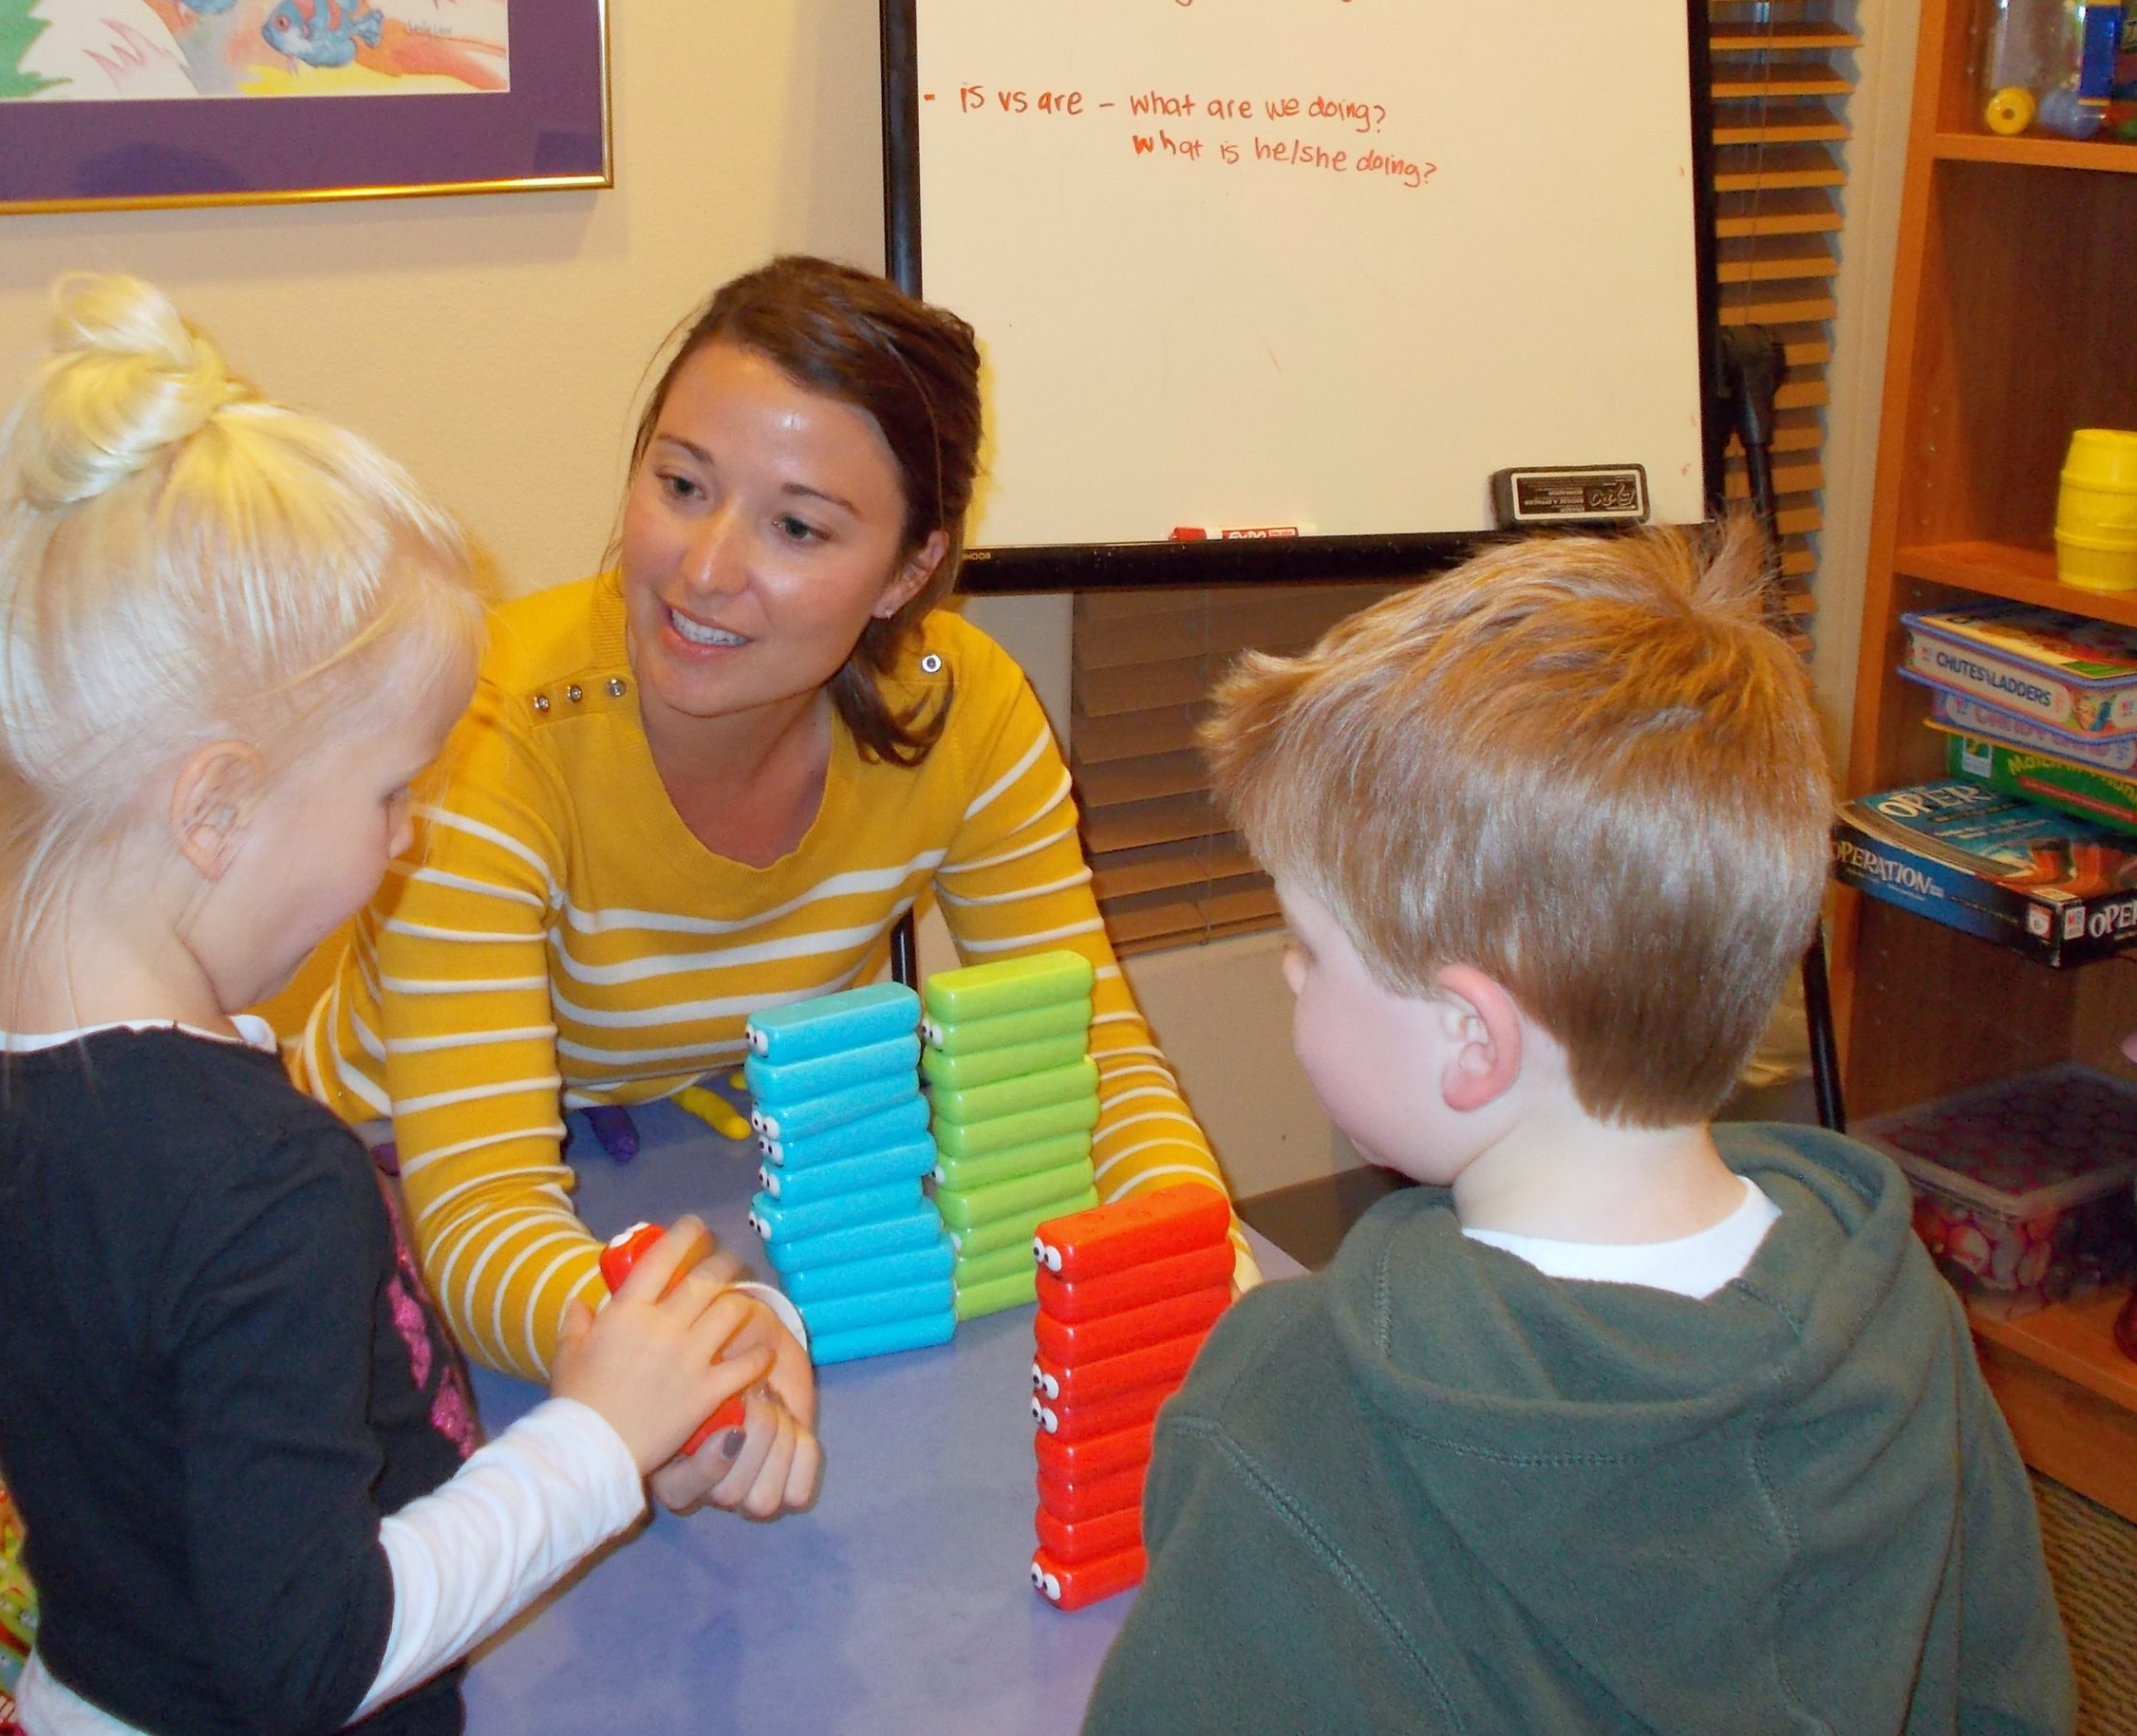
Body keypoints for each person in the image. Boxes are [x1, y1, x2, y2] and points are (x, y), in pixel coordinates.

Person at [0, 275, 778, 1735]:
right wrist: (598, 1440)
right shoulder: (261, 1179)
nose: (406, 838)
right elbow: (312, 1656)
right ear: (217, 805)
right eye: (389, 791)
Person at [1084, 521, 2076, 1734]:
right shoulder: (1901, 1312)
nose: (1290, 976)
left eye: (1310, 946)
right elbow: (2003, 1697)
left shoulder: (1291, 1411)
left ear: (1469, 1040)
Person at [291, 255, 1252, 1465]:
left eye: (797, 526)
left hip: (672, 1161)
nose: (704, 570)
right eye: (681, 484)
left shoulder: (966, 710)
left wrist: (1203, 1259)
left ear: (907, 571)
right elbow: (479, 1216)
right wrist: (694, 1359)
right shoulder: (482, 731)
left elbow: (1090, 1050)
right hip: (381, 1193)